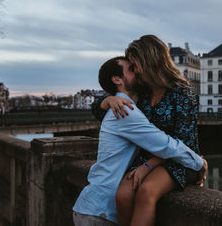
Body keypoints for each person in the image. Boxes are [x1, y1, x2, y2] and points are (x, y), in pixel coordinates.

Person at [72, 56, 207, 226]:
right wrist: (198, 163)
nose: (136, 71)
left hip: (94, 208)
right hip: (99, 212)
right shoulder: (125, 111)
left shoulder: (127, 104)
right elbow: (166, 145)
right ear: (117, 80)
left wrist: (107, 100)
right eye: (131, 69)